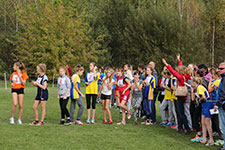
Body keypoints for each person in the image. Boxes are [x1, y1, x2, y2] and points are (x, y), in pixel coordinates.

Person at [162, 58, 191, 134]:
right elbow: (181, 67)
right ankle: (181, 127)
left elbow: (173, 72)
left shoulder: (180, 77)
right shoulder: (186, 76)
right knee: (181, 112)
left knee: (181, 113)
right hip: (183, 96)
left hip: (180, 96)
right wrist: (179, 60)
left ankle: (186, 128)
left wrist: (166, 64)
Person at [192, 77, 214, 146]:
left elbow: (203, 97)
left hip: (207, 103)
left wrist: (199, 99)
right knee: (203, 121)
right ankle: (204, 138)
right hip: (204, 104)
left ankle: (211, 139)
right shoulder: (197, 88)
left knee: (207, 122)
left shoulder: (199, 87)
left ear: (195, 82)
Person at [214, 62, 225, 150]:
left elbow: (223, 93)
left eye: (221, 69)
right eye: (219, 68)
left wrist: (218, 104)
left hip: (223, 105)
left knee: (223, 127)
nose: (219, 70)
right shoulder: (223, 78)